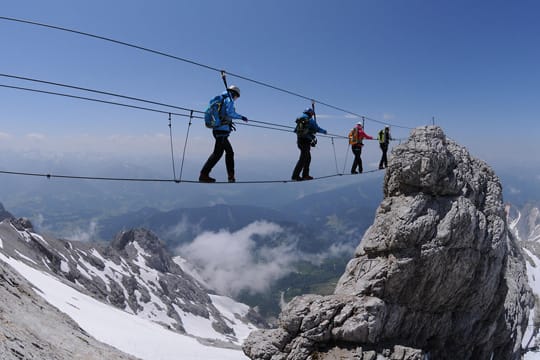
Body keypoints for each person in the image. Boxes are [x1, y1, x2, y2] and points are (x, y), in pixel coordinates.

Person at [199, 85, 248, 183]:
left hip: (217, 130)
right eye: (237, 97)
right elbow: (230, 113)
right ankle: (228, 176)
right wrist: (241, 117)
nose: (236, 99)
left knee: (219, 153)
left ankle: (205, 174)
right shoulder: (229, 100)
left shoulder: (222, 99)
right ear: (235, 94)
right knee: (226, 153)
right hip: (221, 131)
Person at [291, 108, 327, 181]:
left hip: (299, 141)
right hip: (306, 142)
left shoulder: (300, 120)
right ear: (311, 113)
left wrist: (308, 132)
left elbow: (295, 131)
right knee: (303, 159)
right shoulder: (310, 120)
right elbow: (317, 129)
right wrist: (324, 131)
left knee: (307, 158)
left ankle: (305, 175)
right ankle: (295, 176)